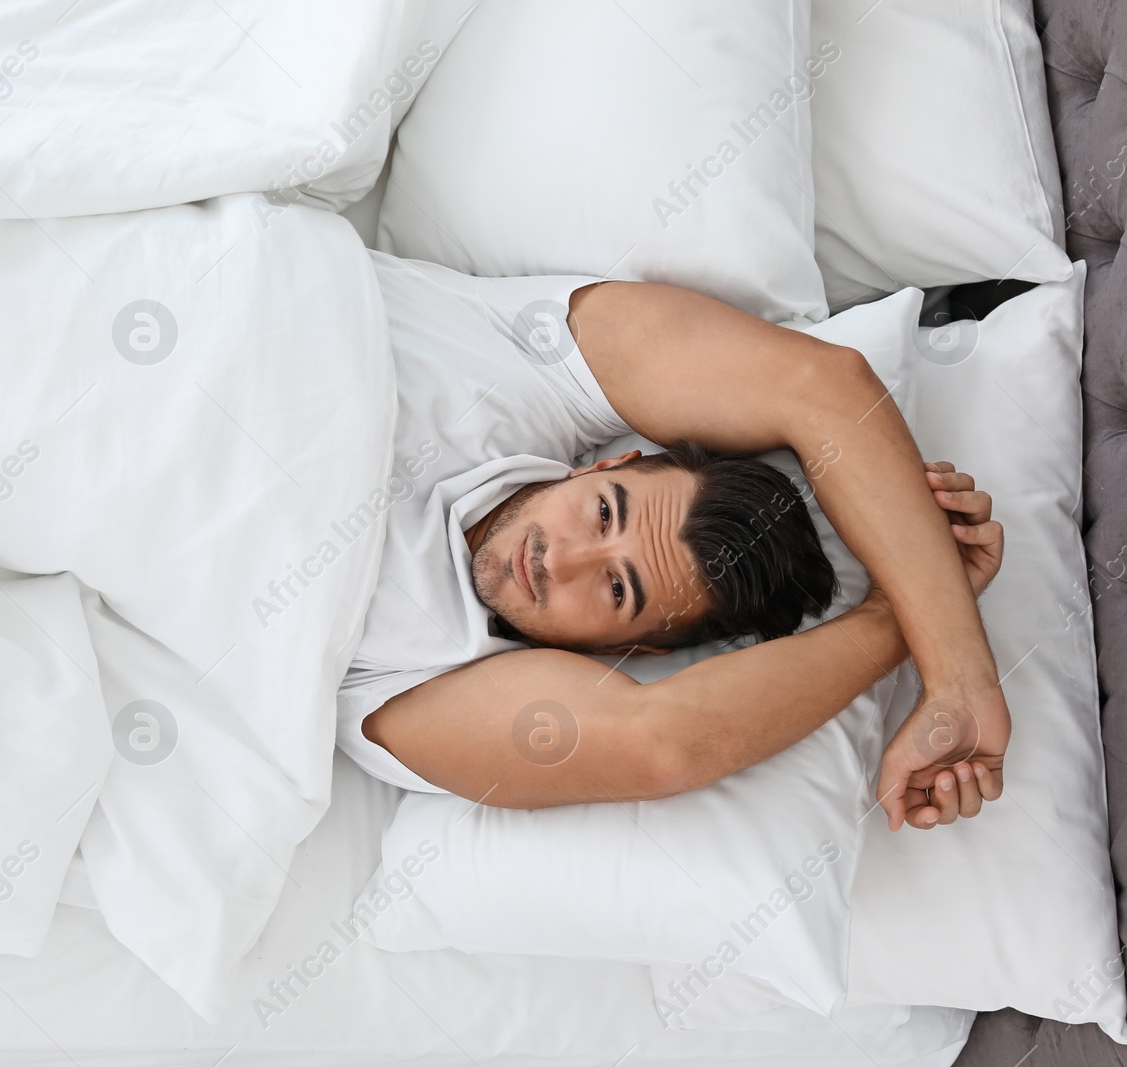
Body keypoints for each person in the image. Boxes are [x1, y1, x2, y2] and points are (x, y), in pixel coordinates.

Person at [337, 256, 1008, 832]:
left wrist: (903, 618)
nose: (560, 559)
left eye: (618, 589)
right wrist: (953, 666)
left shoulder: (421, 675)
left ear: (630, 650)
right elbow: (819, 390)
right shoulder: (527, 371)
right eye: (603, 513)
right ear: (603, 466)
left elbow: (664, 743)